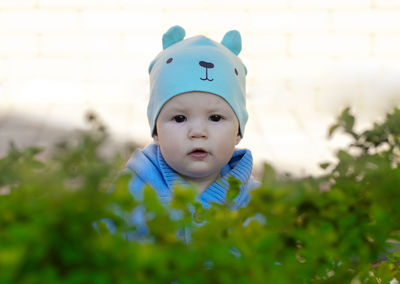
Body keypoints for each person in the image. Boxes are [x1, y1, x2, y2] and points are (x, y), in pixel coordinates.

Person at [126, 25, 258, 210]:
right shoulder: (132, 190)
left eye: (215, 118)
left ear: (238, 131)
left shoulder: (254, 201)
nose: (197, 132)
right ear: (156, 131)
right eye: (179, 118)